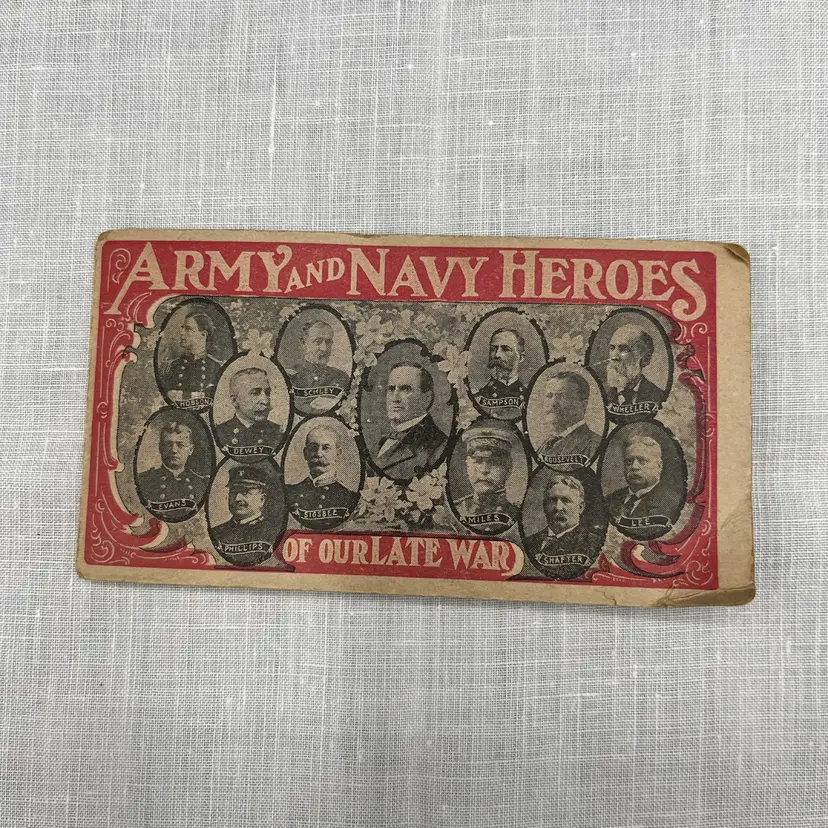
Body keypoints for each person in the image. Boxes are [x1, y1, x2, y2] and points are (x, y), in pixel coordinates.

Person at [372, 362, 448, 480]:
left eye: (405, 389)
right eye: (391, 389)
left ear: (426, 399)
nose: (395, 398)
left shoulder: (439, 448)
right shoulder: (381, 439)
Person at [525, 473, 604, 580]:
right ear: (544, 506)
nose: (558, 507)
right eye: (552, 500)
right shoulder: (529, 542)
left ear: (580, 507)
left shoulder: (594, 542)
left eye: (566, 500)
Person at [606, 434, 683, 539]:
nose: (634, 467)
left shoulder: (672, 503)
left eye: (642, 461)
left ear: (659, 466)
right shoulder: (610, 500)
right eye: (629, 461)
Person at [211, 465, 286, 568]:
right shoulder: (216, 533)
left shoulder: (275, 532)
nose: (237, 498)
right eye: (233, 492)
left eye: (245, 492)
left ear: (262, 499)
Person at [285, 424, 358, 530]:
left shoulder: (350, 498)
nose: (318, 454)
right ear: (305, 453)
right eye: (313, 448)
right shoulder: (288, 493)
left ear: (338, 454)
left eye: (326, 448)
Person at [454, 420, 520, 535]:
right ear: (467, 465)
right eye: (478, 461)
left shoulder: (518, 513)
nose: (484, 470)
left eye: (494, 463)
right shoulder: (457, 510)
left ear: (509, 469)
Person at [137, 420, 208, 520]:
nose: (174, 450)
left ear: (191, 450)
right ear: (160, 448)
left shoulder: (202, 484)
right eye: (168, 444)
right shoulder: (143, 481)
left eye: (181, 445)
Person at [215, 367, 284, 459]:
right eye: (255, 393)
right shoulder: (219, 433)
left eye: (267, 393)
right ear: (234, 400)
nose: (265, 401)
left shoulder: (278, 434)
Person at [536, 372, 602, 467]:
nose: (553, 403)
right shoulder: (544, 445)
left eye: (562, 396)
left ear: (583, 405)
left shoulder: (595, 446)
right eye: (549, 396)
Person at [285, 320, 351, 414]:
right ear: (303, 343)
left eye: (328, 342)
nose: (324, 348)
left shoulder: (341, 377)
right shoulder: (289, 377)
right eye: (317, 341)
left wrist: (333, 403)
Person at [164, 311, 224, 404]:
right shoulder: (172, 366)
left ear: (203, 335)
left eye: (188, 329)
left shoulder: (217, 367)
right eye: (182, 328)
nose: (181, 333)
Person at [604, 324, 666, 412]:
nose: (614, 357)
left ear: (645, 359)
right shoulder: (601, 397)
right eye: (612, 348)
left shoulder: (660, 398)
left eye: (624, 349)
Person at [473, 328, 526, 419]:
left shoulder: (529, 396)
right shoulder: (478, 397)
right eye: (493, 349)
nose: (497, 354)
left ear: (521, 357)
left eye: (506, 349)